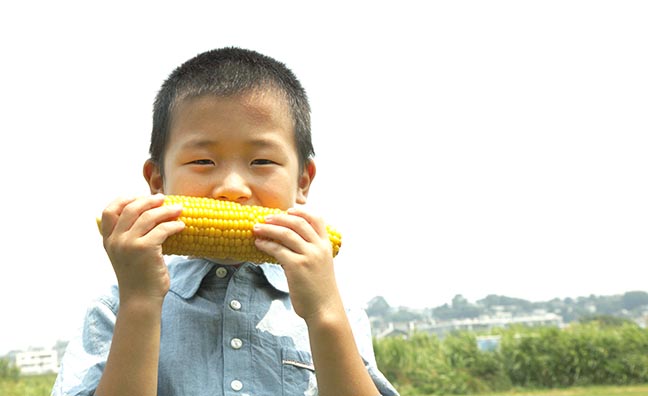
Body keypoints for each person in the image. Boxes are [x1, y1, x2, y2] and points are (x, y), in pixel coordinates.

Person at [52, 47, 399, 396]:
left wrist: (324, 313)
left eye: (262, 161)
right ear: (157, 181)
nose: (232, 189)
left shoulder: (337, 307)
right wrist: (140, 301)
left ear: (303, 181)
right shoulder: (114, 308)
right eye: (203, 161)